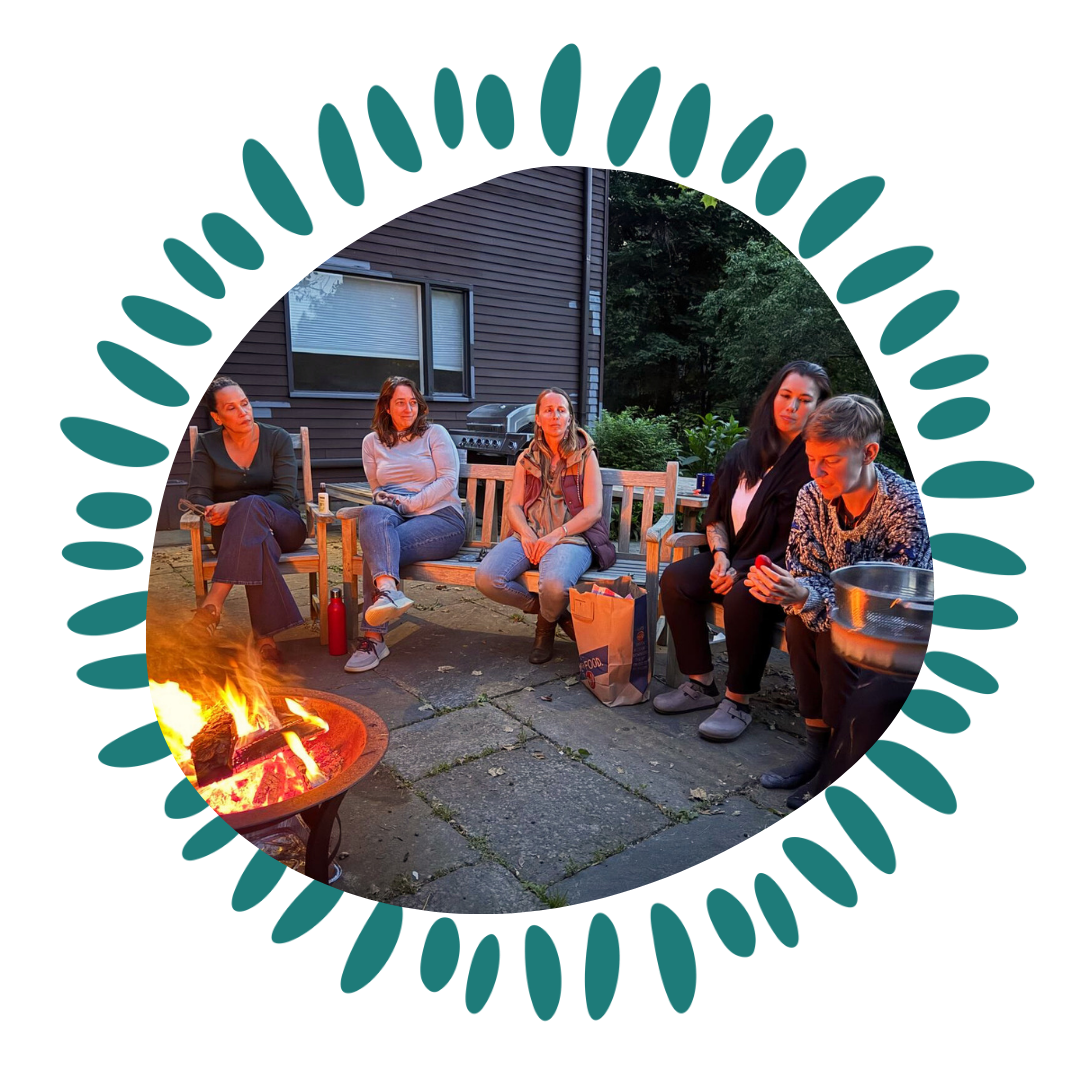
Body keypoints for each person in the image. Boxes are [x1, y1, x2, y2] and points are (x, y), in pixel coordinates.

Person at [745, 394, 932, 806]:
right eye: (811, 458)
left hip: (894, 631)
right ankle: (817, 746)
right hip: (844, 610)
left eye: (830, 459)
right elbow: (802, 567)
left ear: (869, 453)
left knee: (832, 634)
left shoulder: (903, 504)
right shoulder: (812, 496)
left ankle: (839, 757)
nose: (816, 471)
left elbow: (892, 602)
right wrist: (794, 591)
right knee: (800, 621)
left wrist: (809, 596)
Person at [655, 362, 833, 742]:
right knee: (676, 579)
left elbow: (806, 541)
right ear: (773, 397)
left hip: (786, 572)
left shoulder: (815, 464)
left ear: (819, 408)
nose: (792, 407)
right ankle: (701, 683)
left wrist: (740, 570)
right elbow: (716, 517)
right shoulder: (742, 453)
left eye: (805, 400)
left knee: (744, 594)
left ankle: (738, 700)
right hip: (734, 558)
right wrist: (720, 557)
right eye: (786, 395)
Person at [341, 377, 468, 673]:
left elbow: (448, 480)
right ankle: (389, 591)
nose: (409, 408)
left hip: (441, 519)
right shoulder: (371, 443)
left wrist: (410, 504)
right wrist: (386, 500)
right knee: (372, 514)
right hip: (395, 516)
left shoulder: (434, 434)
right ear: (386, 407)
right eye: (400, 402)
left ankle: (373, 639)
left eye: (413, 402)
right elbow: (377, 488)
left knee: (376, 548)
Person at [475, 387, 610, 664]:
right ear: (538, 418)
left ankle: (544, 629)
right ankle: (553, 615)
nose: (555, 416)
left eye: (561, 410)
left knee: (555, 586)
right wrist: (526, 533)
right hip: (531, 534)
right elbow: (514, 505)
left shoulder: (585, 455)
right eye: (548, 410)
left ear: (569, 418)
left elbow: (593, 510)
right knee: (487, 578)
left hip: (572, 537)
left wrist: (555, 536)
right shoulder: (527, 458)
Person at [184, 377, 309, 666]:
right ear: (217, 417)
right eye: (231, 407)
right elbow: (197, 494)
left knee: (251, 505)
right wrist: (210, 510)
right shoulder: (208, 444)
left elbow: (285, 495)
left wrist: (235, 507)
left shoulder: (276, 438)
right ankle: (266, 639)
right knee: (256, 540)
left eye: (245, 403)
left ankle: (213, 603)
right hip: (232, 534)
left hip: (285, 525)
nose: (243, 412)